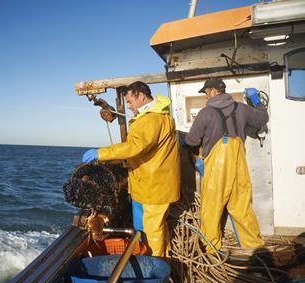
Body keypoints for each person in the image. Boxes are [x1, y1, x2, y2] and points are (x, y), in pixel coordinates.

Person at [82, 81, 180, 257]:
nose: (128, 106)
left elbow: (134, 146)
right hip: (149, 183)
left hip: (154, 186)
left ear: (141, 96)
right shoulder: (156, 116)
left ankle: (156, 265)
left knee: (153, 231)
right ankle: (157, 257)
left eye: (130, 101)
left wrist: (101, 153)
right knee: (153, 227)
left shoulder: (151, 119)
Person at [184, 77, 268, 252]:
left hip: (216, 167)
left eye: (206, 93)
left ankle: (211, 248)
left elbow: (192, 140)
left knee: (211, 207)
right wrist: (255, 101)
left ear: (214, 91)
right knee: (242, 205)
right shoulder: (242, 108)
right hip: (239, 162)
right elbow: (262, 119)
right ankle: (254, 248)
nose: (206, 97)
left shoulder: (205, 113)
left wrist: (193, 154)